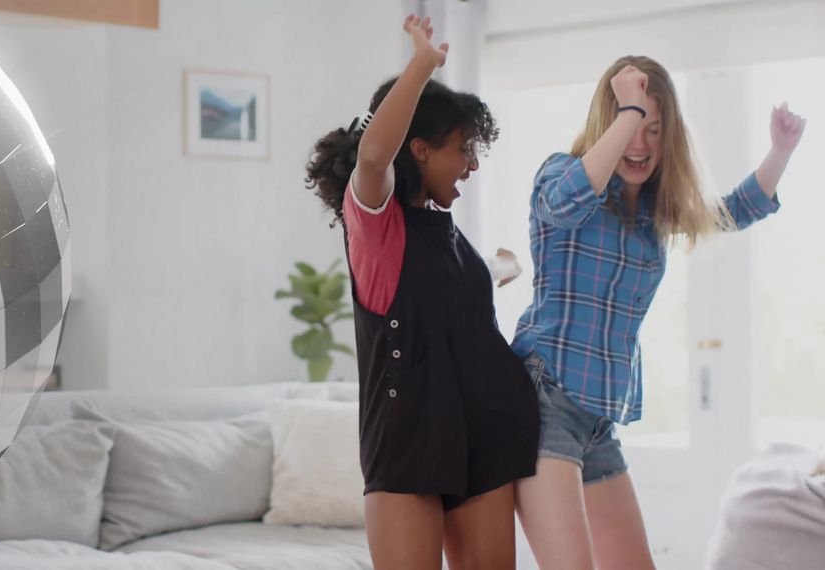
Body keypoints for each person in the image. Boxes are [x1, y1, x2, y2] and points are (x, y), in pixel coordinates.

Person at [511, 55, 807, 569]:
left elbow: (731, 210)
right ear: (609, 121)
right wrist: (629, 107)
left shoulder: (650, 211)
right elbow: (565, 204)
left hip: (598, 420)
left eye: (654, 129)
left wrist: (780, 151)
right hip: (544, 402)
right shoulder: (561, 174)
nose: (642, 144)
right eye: (629, 122)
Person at [305, 15, 539, 570]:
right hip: (409, 446)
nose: (473, 164)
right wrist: (422, 66)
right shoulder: (375, 228)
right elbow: (372, 158)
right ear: (420, 149)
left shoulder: (447, 235)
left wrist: (505, 266)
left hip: (482, 437)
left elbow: (455, 290)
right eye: (462, 149)